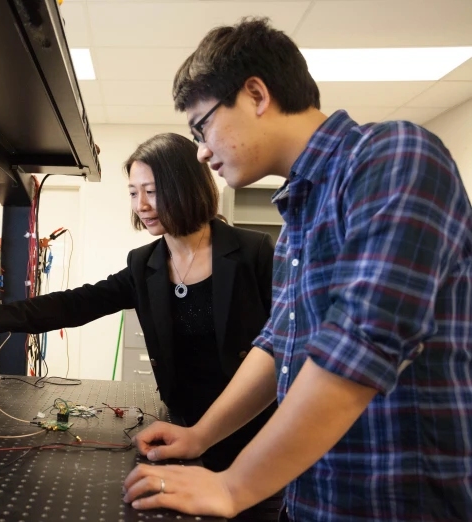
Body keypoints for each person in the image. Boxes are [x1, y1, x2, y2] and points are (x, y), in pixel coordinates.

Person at [122, 18, 472, 522]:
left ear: (256, 95)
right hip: (309, 499)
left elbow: (360, 344)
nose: (201, 150)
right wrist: (202, 435)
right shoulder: (298, 217)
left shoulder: (395, 156)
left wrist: (234, 486)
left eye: (203, 126)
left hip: (395, 505)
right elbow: (277, 343)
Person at [0, 133, 277, 479]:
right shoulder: (145, 264)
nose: (140, 204)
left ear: (187, 185)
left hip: (251, 429)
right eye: (133, 192)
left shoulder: (255, 253)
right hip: (181, 425)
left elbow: (285, 353)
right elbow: (77, 304)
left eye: (152, 191)